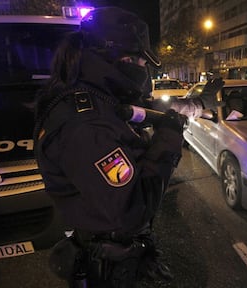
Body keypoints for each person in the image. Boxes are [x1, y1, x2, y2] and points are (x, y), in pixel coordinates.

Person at [34, 7, 190, 288]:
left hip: (114, 255)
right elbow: (132, 212)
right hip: (108, 268)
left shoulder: (94, 99)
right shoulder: (87, 126)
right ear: (124, 58)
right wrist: (169, 136)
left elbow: (124, 114)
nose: (144, 72)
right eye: (143, 63)